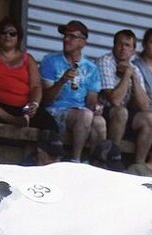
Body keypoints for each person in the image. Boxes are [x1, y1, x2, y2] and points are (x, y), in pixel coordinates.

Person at [0, 17, 54, 133]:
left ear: (18, 37)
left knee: (51, 125)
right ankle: (11, 120)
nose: (7, 36)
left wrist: (34, 104)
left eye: (12, 33)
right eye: (3, 32)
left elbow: (36, 86)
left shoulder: (28, 59)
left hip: (22, 109)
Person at [39, 19, 105, 164]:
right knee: (85, 115)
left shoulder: (91, 67)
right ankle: (76, 160)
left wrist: (96, 106)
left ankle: (96, 164)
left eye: (72, 36)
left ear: (83, 42)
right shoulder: (50, 61)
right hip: (54, 112)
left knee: (99, 122)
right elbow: (46, 99)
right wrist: (62, 81)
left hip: (80, 113)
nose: (66, 39)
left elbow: (91, 100)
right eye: (65, 35)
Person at [95, 29, 149, 153]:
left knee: (150, 119)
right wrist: (127, 75)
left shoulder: (135, 69)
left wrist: (133, 77)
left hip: (124, 115)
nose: (123, 48)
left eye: (127, 45)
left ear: (133, 51)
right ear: (114, 46)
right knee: (121, 112)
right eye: (120, 44)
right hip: (102, 112)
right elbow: (115, 100)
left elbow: (145, 107)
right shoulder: (105, 62)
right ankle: (112, 155)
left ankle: (140, 162)